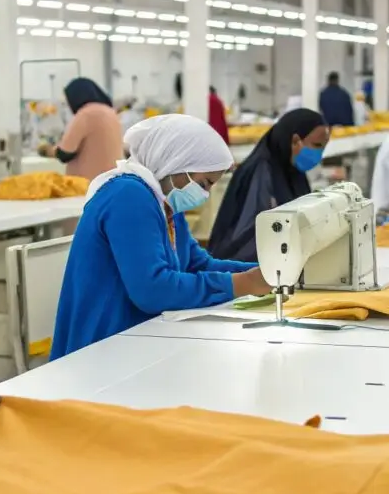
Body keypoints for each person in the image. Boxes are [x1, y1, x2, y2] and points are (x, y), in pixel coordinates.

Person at [50, 114, 271, 361]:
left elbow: (197, 263)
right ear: (176, 162)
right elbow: (152, 290)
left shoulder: (164, 202)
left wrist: (268, 272)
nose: (205, 195)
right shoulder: (129, 196)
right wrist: (241, 284)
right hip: (100, 351)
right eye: (204, 183)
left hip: (139, 338)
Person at [207, 109, 329, 263]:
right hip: (243, 269)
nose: (319, 153)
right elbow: (250, 235)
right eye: (316, 145)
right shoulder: (260, 172)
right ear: (295, 140)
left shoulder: (292, 171)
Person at [38, 77, 121, 181]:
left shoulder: (85, 114)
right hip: (110, 180)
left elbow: (65, 154)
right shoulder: (111, 113)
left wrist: (46, 150)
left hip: (87, 184)